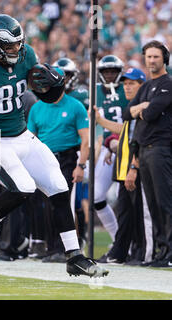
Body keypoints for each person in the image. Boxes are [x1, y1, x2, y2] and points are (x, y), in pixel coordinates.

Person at [0, 14, 108, 277]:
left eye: (18, 43)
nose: (16, 50)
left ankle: (74, 257)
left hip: (23, 135)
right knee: (23, 187)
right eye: (10, 46)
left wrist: (53, 87)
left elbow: (45, 96)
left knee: (59, 186)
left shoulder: (27, 54)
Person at [27, 66, 89, 263]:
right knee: (46, 206)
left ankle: (69, 248)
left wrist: (81, 165)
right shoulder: (37, 107)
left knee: (65, 204)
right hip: (44, 159)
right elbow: (30, 138)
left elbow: (85, 138)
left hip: (67, 158)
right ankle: (52, 247)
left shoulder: (75, 106)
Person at [93, 67, 154, 265]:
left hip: (136, 167)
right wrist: (102, 122)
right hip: (123, 166)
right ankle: (121, 252)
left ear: (141, 85)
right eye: (125, 84)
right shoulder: (131, 107)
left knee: (140, 212)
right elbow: (126, 130)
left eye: (132, 84)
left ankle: (145, 252)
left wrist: (133, 168)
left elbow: (140, 138)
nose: (127, 87)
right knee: (125, 211)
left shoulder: (144, 107)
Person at [122, 40, 172, 267]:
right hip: (143, 151)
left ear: (164, 59)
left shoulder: (167, 84)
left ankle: (170, 252)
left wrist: (141, 109)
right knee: (152, 205)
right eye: (149, 57)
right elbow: (126, 113)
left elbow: (151, 113)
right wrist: (139, 108)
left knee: (164, 202)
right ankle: (162, 251)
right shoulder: (145, 87)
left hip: (161, 149)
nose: (152, 60)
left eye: (156, 57)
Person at [93, 54, 130, 243]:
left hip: (128, 147)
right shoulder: (95, 91)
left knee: (124, 198)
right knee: (96, 196)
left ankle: (132, 244)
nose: (108, 75)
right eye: (105, 71)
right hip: (108, 148)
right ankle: (119, 242)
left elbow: (130, 124)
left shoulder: (127, 89)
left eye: (112, 71)